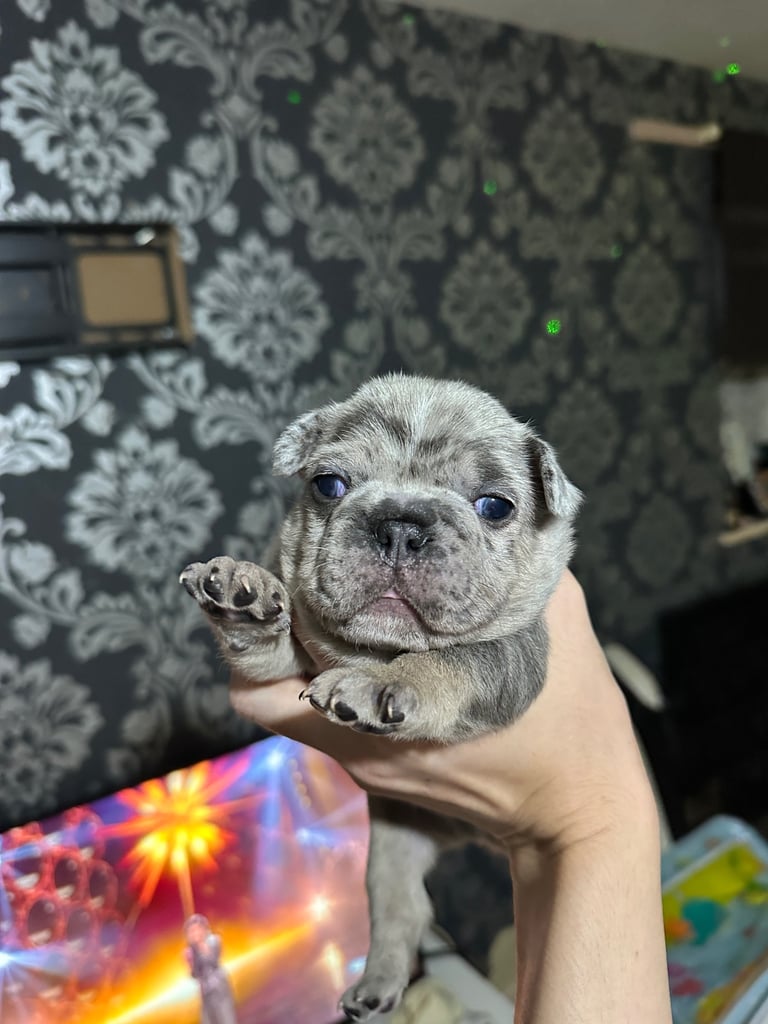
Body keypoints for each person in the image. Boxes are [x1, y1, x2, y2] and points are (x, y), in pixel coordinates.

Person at [229, 570, 673, 1024]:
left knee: (394, 845)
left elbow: (495, 666)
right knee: (390, 861)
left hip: (505, 754)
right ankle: (390, 961)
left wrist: (577, 818)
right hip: (421, 800)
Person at [183, 914, 238, 1024]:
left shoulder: (213, 940)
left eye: (196, 929)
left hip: (220, 990)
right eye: (191, 931)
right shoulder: (191, 950)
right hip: (205, 993)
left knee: (226, 1019)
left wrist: (201, 946)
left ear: (203, 928)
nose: (194, 934)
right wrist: (190, 963)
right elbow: (195, 974)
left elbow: (213, 960)